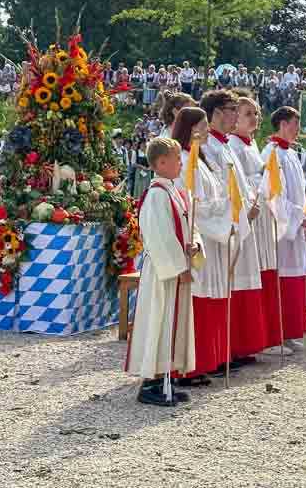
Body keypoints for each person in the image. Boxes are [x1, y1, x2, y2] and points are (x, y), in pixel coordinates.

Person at [124, 137, 199, 406]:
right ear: (161, 162)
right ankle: (151, 382)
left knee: (172, 324)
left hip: (175, 271)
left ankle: (166, 376)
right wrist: (179, 268)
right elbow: (159, 237)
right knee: (159, 321)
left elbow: (186, 227)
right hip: (162, 274)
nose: (181, 163)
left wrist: (194, 244)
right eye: (177, 158)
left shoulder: (173, 192)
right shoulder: (156, 194)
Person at [200, 90, 266, 366]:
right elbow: (216, 188)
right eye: (231, 110)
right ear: (216, 113)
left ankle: (234, 346)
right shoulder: (207, 147)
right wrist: (235, 213)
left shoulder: (224, 144)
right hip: (220, 226)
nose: (235, 116)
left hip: (239, 220)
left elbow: (238, 183)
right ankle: (220, 351)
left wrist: (249, 204)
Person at [170, 107, 229, 386]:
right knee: (197, 300)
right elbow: (191, 205)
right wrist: (223, 207)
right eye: (203, 125)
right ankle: (188, 367)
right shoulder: (183, 160)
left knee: (209, 299)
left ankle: (204, 360)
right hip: (199, 238)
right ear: (190, 129)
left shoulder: (201, 159)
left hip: (212, 236)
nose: (207, 130)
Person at [228, 96, 283, 355]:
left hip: (261, 215)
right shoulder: (234, 145)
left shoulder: (251, 145)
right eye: (248, 113)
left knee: (265, 270)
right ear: (235, 116)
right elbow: (237, 183)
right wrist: (260, 182)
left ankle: (266, 335)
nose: (254, 118)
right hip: (250, 214)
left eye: (257, 113)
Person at [261, 106, 306, 350]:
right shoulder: (272, 153)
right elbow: (274, 194)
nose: (298, 129)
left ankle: (290, 331)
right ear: (282, 123)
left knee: (294, 280)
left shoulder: (291, 154)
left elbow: (299, 192)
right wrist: (297, 217)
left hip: (296, 225)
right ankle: (276, 333)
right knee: (281, 279)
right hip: (280, 228)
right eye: (294, 123)